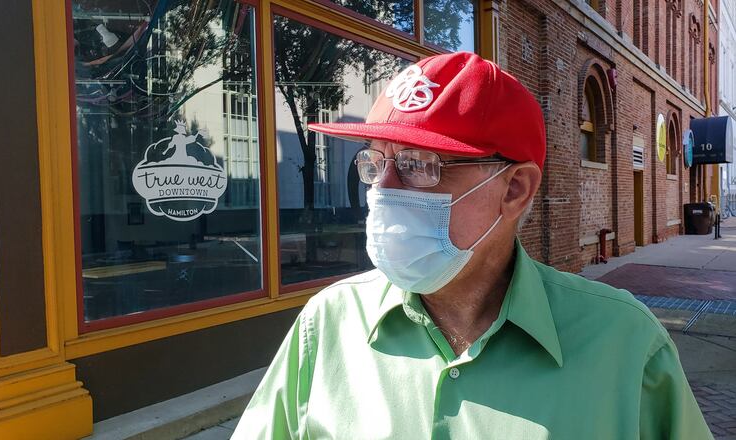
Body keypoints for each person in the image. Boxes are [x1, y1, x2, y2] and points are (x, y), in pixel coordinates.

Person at [232, 52, 712, 439]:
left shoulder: (625, 346)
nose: (384, 189)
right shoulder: (330, 324)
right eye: (376, 163)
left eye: (420, 164)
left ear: (515, 189)